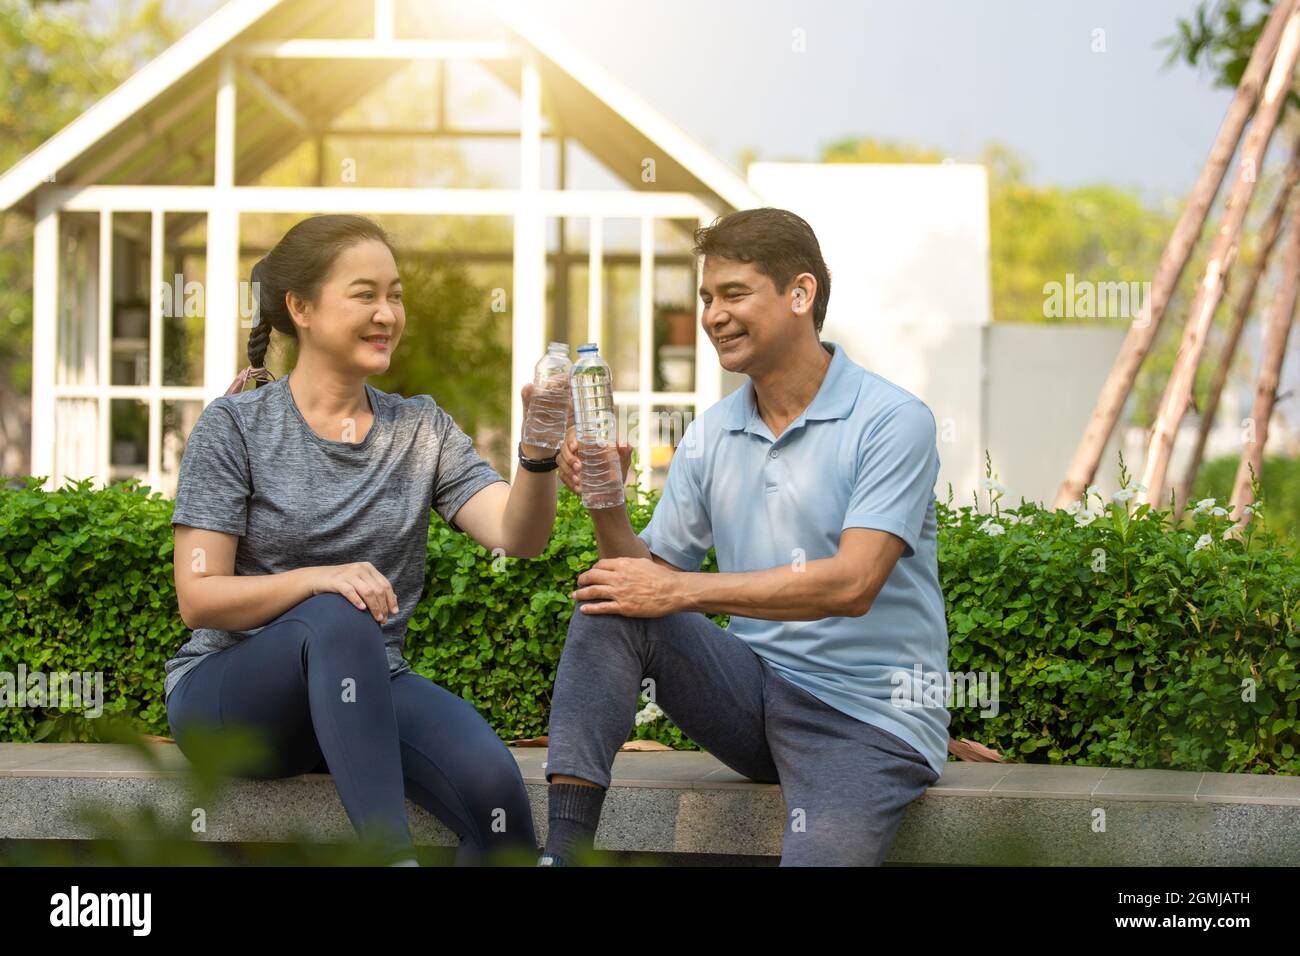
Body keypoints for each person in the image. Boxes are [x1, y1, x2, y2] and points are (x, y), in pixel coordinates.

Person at [541, 207, 951, 866]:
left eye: (734, 294)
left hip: (866, 721)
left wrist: (677, 590)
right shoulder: (712, 433)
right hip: (754, 698)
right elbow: (639, 581)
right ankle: (561, 855)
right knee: (609, 599)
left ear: (800, 294)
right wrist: (605, 499)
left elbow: (853, 584)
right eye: (706, 298)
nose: (712, 316)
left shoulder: (891, 420)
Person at [165, 214, 559, 866]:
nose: (387, 314)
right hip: (232, 701)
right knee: (333, 616)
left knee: (498, 803)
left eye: (396, 294)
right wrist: (320, 579)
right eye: (365, 293)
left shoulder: (419, 429)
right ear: (302, 307)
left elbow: (519, 536)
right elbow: (198, 598)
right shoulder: (236, 427)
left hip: (362, 695)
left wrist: (537, 454)